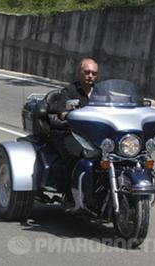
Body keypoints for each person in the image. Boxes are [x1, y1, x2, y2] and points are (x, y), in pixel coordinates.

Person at [48, 57, 99, 208]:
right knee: (76, 155)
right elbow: (63, 112)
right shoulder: (69, 91)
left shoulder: (101, 93)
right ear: (79, 73)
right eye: (87, 72)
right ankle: (69, 195)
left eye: (94, 73)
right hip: (71, 132)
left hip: (95, 134)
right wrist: (69, 112)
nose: (90, 76)